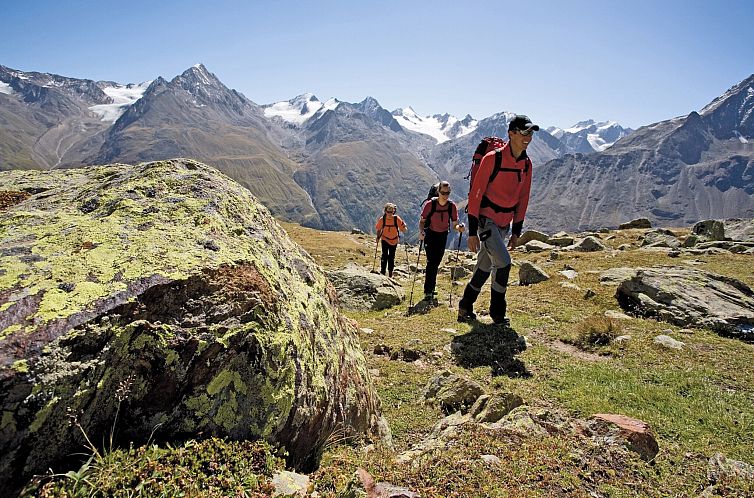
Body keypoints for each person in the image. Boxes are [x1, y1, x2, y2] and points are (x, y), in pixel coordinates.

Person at [458, 115, 538, 325]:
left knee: (484, 266)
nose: (528, 137)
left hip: (505, 223)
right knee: (503, 263)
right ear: (511, 133)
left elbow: (523, 198)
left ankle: (465, 305)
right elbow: (476, 196)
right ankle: (498, 313)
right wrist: (472, 232)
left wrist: (516, 232)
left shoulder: (527, 165)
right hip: (487, 221)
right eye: (523, 132)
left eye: (530, 133)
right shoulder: (492, 159)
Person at [419, 181, 465, 303]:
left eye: (448, 193)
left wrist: (459, 228)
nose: (445, 195)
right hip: (430, 234)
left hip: (443, 235)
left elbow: (454, 224)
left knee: (436, 262)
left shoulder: (452, 206)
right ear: (438, 192)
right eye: (443, 193)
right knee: (431, 262)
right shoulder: (430, 205)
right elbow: (422, 221)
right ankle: (428, 291)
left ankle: (431, 288)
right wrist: (421, 232)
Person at [375, 202, 407, 278]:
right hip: (385, 239)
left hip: (394, 240)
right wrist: (378, 237)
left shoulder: (396, 219)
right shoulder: (383, 219)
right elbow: (379, 229)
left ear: (394, 212)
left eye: (391, 212)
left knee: (391, 257)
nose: (389, 213)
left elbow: (404, 229)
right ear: (385, 211)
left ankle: (390, 274)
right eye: (388, 212)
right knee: (384, 255)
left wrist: (404, 227)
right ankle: (383, 272)